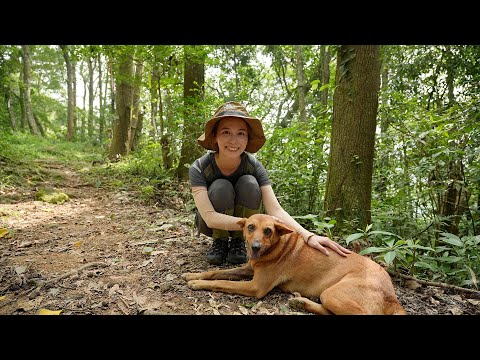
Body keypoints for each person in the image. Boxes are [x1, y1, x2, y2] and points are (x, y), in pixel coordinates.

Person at [189, 101, 352, 265]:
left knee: (249, 183)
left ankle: (239, 241)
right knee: (220, 187)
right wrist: (249, 224)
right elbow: (209, 217)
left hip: (251, 230)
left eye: (241, 133)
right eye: (226, 132)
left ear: (247, 139)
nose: (234, 140)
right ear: (215, 137)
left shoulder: (254, 166)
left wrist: (308, 235)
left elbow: (275, 209)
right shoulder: (200, 167)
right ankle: (220, 241)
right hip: (212, 226)